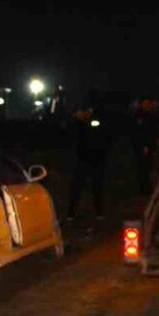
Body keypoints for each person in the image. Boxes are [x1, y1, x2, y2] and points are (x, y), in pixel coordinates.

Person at [66, 92, 112, 221]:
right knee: (77, 187)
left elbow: (104, 137)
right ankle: (71, 213)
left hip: (96, 158)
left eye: (86, 111)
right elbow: (71, 139)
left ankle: (99, 212)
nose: (84, 113)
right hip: (81, 159)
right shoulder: (76, 125)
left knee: (97, 186)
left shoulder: (96, 121)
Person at [131, 96, 159, 195]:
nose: (147, 106)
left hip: (150, 146)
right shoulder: (138, 117)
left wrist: (157, 139)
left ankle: (147, 186)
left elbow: (154, 130)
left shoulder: (151, 115)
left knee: (148, 167)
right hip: (142, 147)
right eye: (145, 104)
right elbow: (137, 133)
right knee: (143, 168)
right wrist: (142, 146)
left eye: (148, 104)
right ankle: (144, 188)